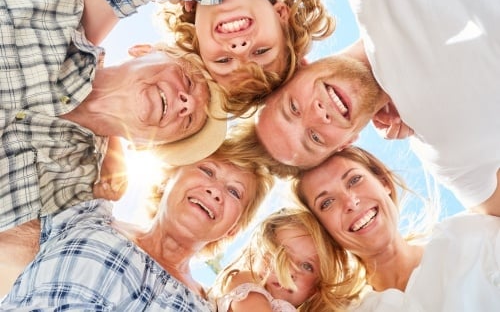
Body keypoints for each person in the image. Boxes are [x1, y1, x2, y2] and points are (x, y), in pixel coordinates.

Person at [0, 0, 227, 233]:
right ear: (144, 50)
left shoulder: (73, 198)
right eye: (190, 81)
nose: (186, 103)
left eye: (190, 121)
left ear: (146, 146)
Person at [0, 127, 275, 308]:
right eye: (207, 171)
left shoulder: (209, 307)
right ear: (168, 179)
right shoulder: (87, 216)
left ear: (232, 230)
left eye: (234, 192)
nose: (215, 191)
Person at [255, 35, 500, 216]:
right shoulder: (444, 150)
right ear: (346, 143)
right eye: (315, 138)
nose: (318, 116)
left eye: (293, 108)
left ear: (298, 67)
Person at [83, 0, 335, 116]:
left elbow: (71, 40)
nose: (239, 49)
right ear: (282, 15)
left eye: (224, 61)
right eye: (261, 51)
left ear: (198, 43)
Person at [292, 146, 500, 311]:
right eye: (327, 202)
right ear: (323, 229)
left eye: (354, 180)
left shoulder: (472, 237)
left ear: (384, 182)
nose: (350, 202)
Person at [212, 208, 365, 312]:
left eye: (307, 266)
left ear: (314, 290)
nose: (290, 271)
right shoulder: (245, 282)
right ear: (257, 254)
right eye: (281, 254)